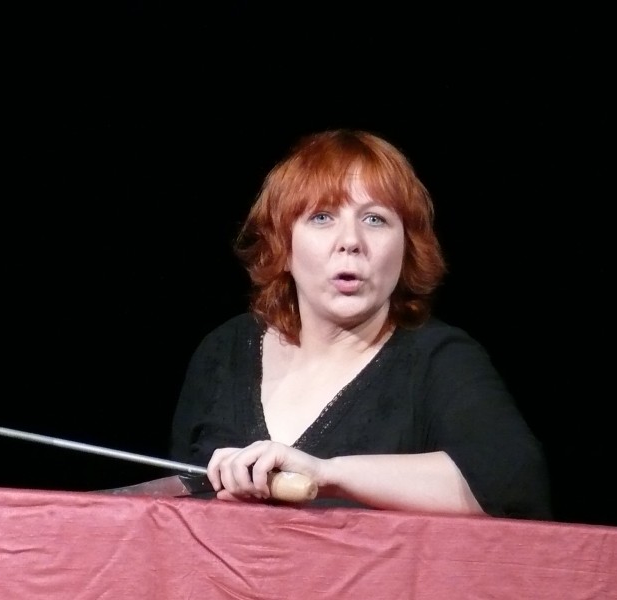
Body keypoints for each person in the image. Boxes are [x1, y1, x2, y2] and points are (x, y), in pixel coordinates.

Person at [169, 129, 552, 520]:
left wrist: (327, 474)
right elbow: (170, 515)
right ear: (282, 246)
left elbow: (513, 484)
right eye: (322, 217)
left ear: (406, 247)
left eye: (375, 219)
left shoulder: (439, 360)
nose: (350, 240)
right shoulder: (225, 351)